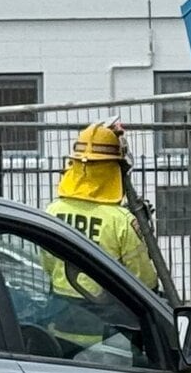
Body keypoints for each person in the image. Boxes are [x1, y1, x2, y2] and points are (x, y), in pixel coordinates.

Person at [46, 121, 160, 293]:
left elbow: (48, 263)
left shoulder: (52, 211)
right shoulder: (121, 221)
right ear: (115, 167)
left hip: (60, 308)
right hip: (108, 311)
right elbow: (144, 279)